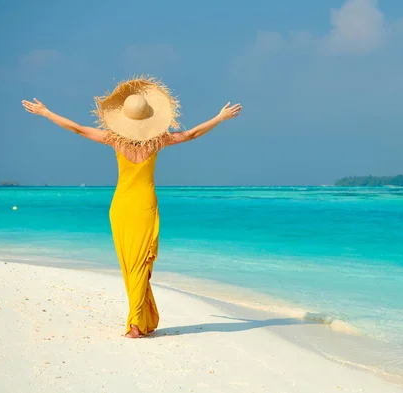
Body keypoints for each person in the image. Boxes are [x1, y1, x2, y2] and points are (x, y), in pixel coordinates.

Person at [22, 76, 242, 338]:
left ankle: (138, 321)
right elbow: (192, 133)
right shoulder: (158, 141)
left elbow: (78, 129)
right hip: (144, 206)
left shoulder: (115, 140)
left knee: (131, 264)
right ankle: (137, 322)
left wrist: (46, 112)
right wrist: (219, 118)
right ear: (150, 119)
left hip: (121, 207)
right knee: (140, 264)